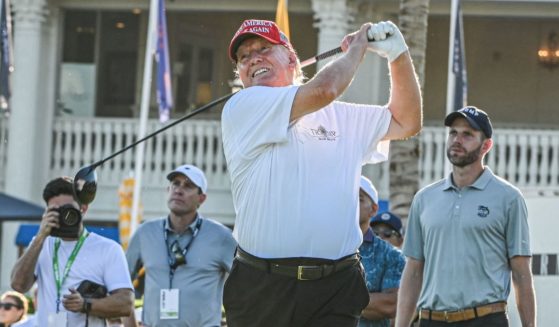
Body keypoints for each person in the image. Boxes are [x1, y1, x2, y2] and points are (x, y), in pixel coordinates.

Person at [221, 18, 422, 327]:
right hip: (263, 286)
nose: (253, 58)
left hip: (335, 285)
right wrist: (358, 49)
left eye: (264, 49)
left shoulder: (341, 116)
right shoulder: (244, 105)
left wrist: (397, 55)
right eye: (244, 57)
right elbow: (325, 88)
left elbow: (407, 121)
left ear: (291, 58)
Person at [396, 107, 536, 327]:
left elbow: (521, 273)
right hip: (431, 320)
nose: (457, 140)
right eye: (453, 133)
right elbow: (413, 271)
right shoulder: (424, 199)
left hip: (486, 320)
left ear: (486, 145)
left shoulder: (508, 198)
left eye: (467, 134)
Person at [10, 177, 135, 327]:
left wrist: (86, 305)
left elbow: (126, 304)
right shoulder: (41, 244)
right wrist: (40, 236)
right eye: (56, 210)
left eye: (68, 209)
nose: (63, 216)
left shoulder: (108, 249)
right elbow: (18, 286)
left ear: (83, 209)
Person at [123, 164, 237, 327]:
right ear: (167, 190)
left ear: (201, 198)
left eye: (188, 186)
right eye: (175, 183)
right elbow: (122, 286)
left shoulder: (221, 237)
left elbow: (245, 288)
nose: (179, 189)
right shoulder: (145, 233)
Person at [358, 176, 406, 327]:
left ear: (373, 209)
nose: (351, 203)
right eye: (348, 197)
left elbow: (391, 304)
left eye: (359, 198)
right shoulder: (328, 246)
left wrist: (337, 298)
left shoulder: (391, 254)